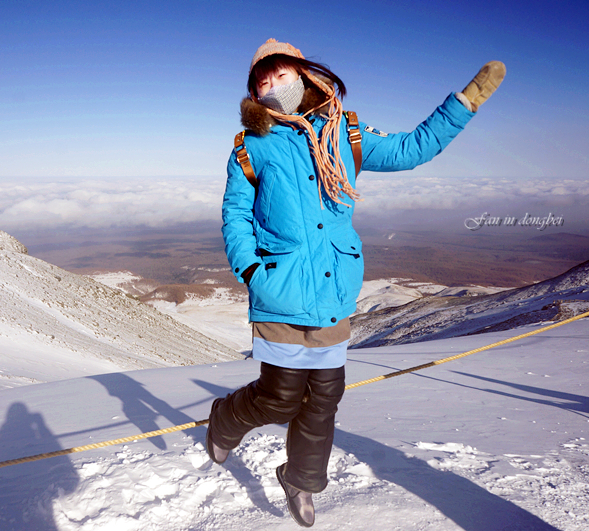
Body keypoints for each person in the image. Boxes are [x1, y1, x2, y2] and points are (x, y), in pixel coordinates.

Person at [207, 38, 505, 528]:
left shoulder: (345, 133)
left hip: (332, 288)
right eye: (261, 82)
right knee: (280, 396)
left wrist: (464, 103)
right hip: (280, 288)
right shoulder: (251, 145)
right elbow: (235, 213)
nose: (269, 86)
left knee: (324, 395)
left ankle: (301, 480)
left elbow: (412, 148)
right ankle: (226, 418)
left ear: (302, 75)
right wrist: (252, 271)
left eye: (279, 75)